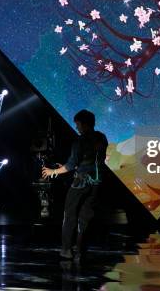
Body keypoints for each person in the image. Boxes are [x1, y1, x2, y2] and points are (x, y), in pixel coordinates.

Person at [42, 109, 108, 261]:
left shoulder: (80, 141)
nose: (77, 128)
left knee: (70, 215)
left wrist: (53, 171)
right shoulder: (101, 137)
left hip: (80, 182)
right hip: (96, 182)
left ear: (84, 124)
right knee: (85, 217)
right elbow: (94, 160)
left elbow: (70, 165)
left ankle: (66, 249)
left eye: (78, 124)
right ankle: (79, 249)